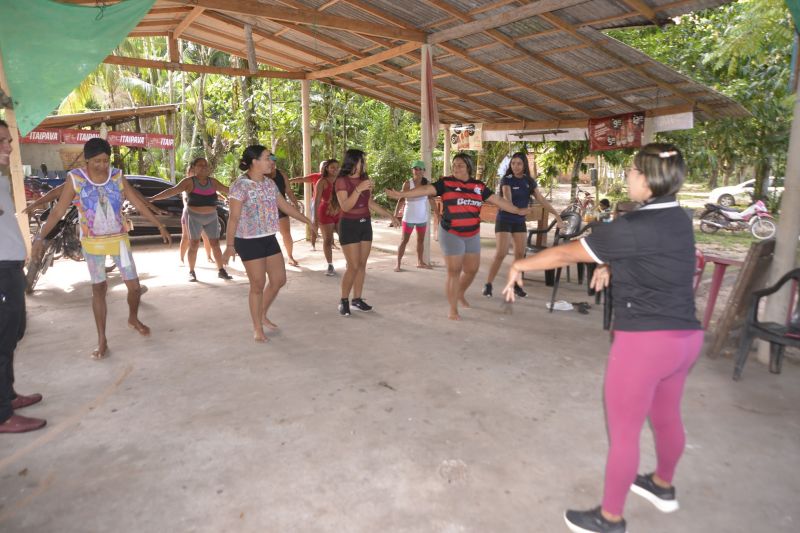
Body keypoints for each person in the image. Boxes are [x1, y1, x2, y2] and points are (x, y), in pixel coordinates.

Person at [502, 144, 703, 533]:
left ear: (645, 180)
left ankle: (609, 518)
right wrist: (612, 263)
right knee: (666, 416)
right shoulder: (679, 218)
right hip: (685, 340)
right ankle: (662, 485)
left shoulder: (631, 227)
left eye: (631, 171)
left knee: (624, 432)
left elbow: (565, 254)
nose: (628, 176)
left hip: (645, 344)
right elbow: (650, 255)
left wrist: (520, 263)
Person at [32, 138, 172, 360]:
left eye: (106, 160)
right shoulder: (76, 179)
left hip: (119, 240)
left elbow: (136, 201)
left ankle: (133, 318)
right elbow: (58, 212)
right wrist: (40, 237)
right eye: (97, 161)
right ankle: (102, 339)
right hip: (93, 244)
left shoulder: (116, 176)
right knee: (99, 289)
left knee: (134, 287)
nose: (102, 165)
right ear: (87, 160)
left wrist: (158, 224)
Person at [387, 153, 528, 321]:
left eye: (460, 165)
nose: (456, 167)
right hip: (451, 233)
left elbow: (498, 200)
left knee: (471, 270)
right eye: (454, 165)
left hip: (472, 233)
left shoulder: (479, 186)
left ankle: (459, 293)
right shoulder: (446, 183)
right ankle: (453, 309)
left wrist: (518, 210)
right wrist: (401, 195)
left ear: (468, 167)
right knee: (454, 271)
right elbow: (425, 189)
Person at [222, 145, 312, 342]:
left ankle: (261, 313)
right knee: (257, 285)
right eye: (267, 158)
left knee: (279, 279)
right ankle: (257, 327)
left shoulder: (270, 184)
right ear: (254, 162)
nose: (272, 161)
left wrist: (308, 221)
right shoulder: (240, 185)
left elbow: (285, 206)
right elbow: (234, 218)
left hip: (269, 237)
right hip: (248, 241)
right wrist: (230, 246)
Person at [0, 119, 46, 433]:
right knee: (2, 340)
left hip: (11, 266)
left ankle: (8, 394)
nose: (9, 146)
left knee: (14, 333)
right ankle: (3, 414)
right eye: (3, 141)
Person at [482, 152, 564, 298]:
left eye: (519, 163)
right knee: (501, 253)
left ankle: (516, 285)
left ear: (524, 165)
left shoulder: (529, 181)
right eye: (513, 163)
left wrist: (557, 215)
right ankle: (488, 284)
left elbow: (541, 200)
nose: (515, 166)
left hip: (519, 222)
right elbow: (507, 198)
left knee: (520, 254)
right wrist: (520, 210)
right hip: (505, 219)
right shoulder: (506, 180)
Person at [330, 149, 399, 316]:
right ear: (353, 162)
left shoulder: (364, 179)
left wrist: (390, 215)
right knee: (352, 266)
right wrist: (359, 189)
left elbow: (369, 202)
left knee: (361, 265)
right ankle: (344, 300)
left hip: (364, 224)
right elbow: (345, 206)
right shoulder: (341, 181)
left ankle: (357, 299)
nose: (364, 165)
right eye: (362, 161)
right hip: (349, 225)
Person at [148, 157, 232, 282]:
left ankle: (221, 270)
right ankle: (191, 272)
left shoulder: (213, 182)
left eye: (205, 165)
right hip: (194, 217)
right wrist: (153, 198)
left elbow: (228, 190)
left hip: (212, 218)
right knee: (194, 244)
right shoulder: (189, 182)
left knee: (215, 244)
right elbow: (172, 191)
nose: (203, 167)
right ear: (193, 168)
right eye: (200, 165)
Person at [393, 160, 437, 272]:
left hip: (422, 217)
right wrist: (395, 215)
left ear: (424, 171)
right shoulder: (408, 184)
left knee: (420, 240)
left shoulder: (427, 184)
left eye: (420, 169)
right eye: (415, 168)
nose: (418, 171)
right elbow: (401, 199)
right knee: (404, 240)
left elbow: (431, 200)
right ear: (412, 170)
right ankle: (398, 264)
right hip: (409, 217)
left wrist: (437, 213)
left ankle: (420, 262)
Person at [267, 155, 302, 266]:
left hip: (281, 208)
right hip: (265, 210)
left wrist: (295, 203)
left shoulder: (281, 175)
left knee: (286, 233)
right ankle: (268, 258)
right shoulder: (260, 176)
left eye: (274, 163)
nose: (272, 165)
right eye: (269, 162)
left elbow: (288, 191)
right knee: (268, 236)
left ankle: (290, 256)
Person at [311, 158, 340, 276]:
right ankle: (330, 265)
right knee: (328, 240)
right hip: (325, 212)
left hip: (339, 212)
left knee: (345, 238)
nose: (335, 169)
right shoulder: (322, 181)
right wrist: (315, 218)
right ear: (327, 168)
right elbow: (317, 200)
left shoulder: (341, 180)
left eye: (337, 167)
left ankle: (350, 261)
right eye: (332, 167)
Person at [289, 161, 325, 250]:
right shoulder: (316, 176)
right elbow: (302, 179)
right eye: (323, 166)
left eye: (326, 166)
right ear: (320, 168)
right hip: (316, 203)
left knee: (329, 223)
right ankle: (313, 245)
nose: (324, 167)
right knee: (314, 223)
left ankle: (331, 243)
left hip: (328, 204)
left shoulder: (333, 178)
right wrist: (289, 181)